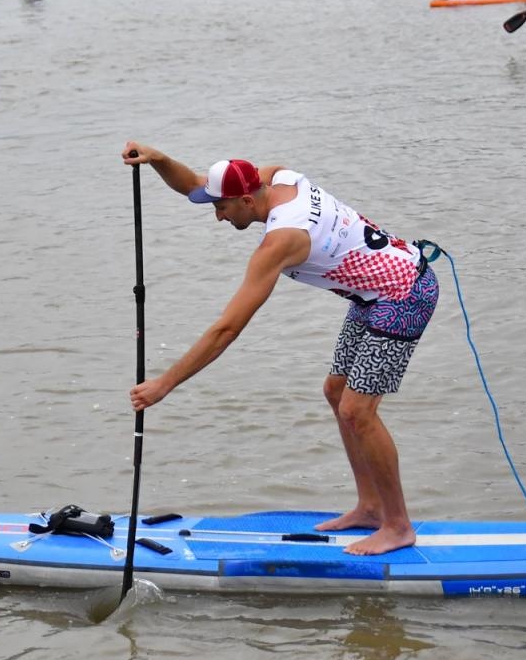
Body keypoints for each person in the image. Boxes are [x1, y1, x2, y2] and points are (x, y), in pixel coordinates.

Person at [121, 144, 440, 556]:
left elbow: (227, 328)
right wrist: (158, 160)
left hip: (404, 293)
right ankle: (370, 507)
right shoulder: (276, 176)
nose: (218, 217)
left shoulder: (280, 241)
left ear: (246, 200)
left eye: (221, 208)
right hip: (373, 294)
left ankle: (398, 526)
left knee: (357, 411)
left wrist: (165, 384)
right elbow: (193, 184)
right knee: (336, 392)